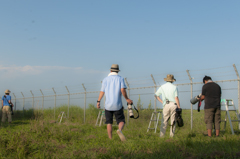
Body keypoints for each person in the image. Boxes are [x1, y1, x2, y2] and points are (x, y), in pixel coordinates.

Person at [97, 64, 132, 141]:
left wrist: (98, 101)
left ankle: (110, 138)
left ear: (110, 70)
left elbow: (102, 92)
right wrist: (127, 98)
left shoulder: (105, 79)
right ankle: (119, 130)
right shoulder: (120, 79)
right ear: (118, 71)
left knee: (109, 122)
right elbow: (123, 90)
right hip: (118, 105)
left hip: (108, 105)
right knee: (121, 120)